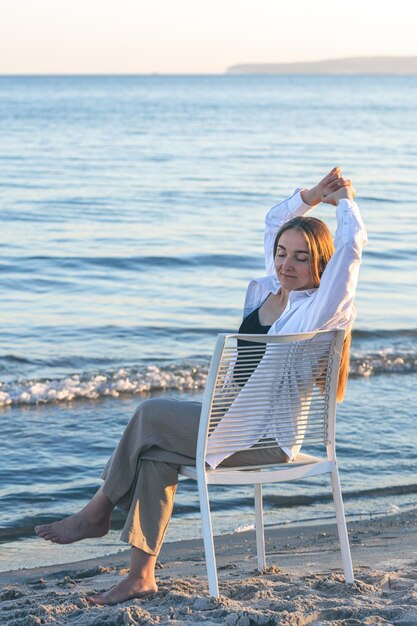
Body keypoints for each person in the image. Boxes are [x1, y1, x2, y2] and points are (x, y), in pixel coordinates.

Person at [35, 167, 367, 605]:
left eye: (302, 257)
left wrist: (344, 201)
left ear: (320, 263)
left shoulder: (319, 310)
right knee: (152, 455)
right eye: (282, 253)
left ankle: (97, 512)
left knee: (149, 413)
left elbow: (351, 246)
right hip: (226, 424)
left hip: (264, 438)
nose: (287, 263)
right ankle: (141, 577)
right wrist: (309, 195)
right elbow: (273, 222)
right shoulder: (270, 290)